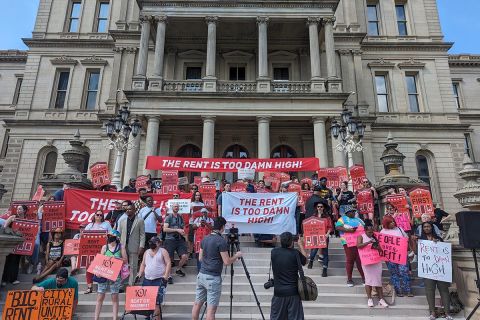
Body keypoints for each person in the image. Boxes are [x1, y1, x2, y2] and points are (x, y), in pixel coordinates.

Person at [191, 217, 242, 320]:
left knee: (197, 304)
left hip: (201, 275)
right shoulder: (221, 241)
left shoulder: (205, 238)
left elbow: (200, 258)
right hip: (213, 278)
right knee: (211, 311)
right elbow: (227, 261)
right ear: (222, 227)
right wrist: (237, 255)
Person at [419, 222, 454, 320]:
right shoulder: (421, 240)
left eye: (428, 226)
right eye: (424, 227)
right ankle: (432, 312)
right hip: (428, 270)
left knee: (444, 291)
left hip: (440, 270)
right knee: (429, 291)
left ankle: (447, 313)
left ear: (432, 227)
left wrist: (438, 243)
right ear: (423, 229)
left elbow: (445, 252)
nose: (426, 228)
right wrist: (413, 242)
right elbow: (417, 253)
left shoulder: (439, 239)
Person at [269, 231, 307, 320]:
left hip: (278, 293)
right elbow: (305, 261)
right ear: (292, 242)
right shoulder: (295, 253)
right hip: (293, 293)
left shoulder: (274, 252)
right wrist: (301, 245)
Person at [94, 230, 128, 320]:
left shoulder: (121, 247)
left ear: (116, 238)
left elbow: (125, 260)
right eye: (108, 236)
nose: (109, 237)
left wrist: (116, 258)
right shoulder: (104, 247)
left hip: (115, 275)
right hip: (104, 273)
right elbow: (100, 260)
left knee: (114, 297)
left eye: (111, 236)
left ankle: (114, 318)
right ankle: (96, 318)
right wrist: (97, 271)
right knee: (100, 296)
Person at [137, 236, 171, 320]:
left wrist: (166, 276)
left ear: (159, 243)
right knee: (147, 300)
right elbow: (143, 264)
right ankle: (147, 317)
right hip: (147, 279)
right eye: (151, 242)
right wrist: (139, 274)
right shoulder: (147, 252)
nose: (152, 243)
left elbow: (168, 263)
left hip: (159, 279)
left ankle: (156, 318)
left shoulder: (163, 251)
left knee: (157, 302)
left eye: (154, 242)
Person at [357, 223, 389, 308]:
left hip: (376, 261)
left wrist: (377, 247)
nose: (371, 233)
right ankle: (369, 299)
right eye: (369, 232)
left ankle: (381, 299)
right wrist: (368, 242)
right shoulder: (361, 236)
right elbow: (358, 246)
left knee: (378, 280)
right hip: (366, 262)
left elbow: (381, 250)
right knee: (368, 280)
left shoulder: (375, 237)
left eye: (372, 232)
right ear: (365, 230)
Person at [380, 216, 413, 297]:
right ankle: (398, 291)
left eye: (393, 221)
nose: (393, 223)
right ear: (386, 224)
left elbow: (406, 239)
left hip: (401, 255)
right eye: (390, 222)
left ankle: (408, 290)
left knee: (404, 271)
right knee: (394, 273)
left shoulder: (399, 229)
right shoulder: (382, 232)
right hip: (390, 257)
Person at [335, 208, 365, 287]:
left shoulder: (359, 219)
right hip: (348, 242)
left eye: (355, 211)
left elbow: (365, 227)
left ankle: (364, 278)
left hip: (359, 242)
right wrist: (348, 230)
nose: (354, 213)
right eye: (352, 211)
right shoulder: (342, 219)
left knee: (359, 260)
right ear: (347, 213)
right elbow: (338, 227)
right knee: (350, 259)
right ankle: (349, 279)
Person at [117, 203, 145, 286]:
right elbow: (118, 234)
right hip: (123, 247)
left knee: (133, 267)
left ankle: (131, 284)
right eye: (127, 209)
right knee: (122, 266)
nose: (128, 210)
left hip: (134, 246)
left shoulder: (139, 220)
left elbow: (142, 234)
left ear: (135, 210)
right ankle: (121, 284)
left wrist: (141, 246)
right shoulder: (122, 221)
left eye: (130, 209)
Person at [1, 205, 27, 286]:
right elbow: (4, 227)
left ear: (24, 210)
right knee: (8, 260)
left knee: (16, 260)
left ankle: (13, 279)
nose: (18, 210)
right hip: (11, 241)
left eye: (20, 209)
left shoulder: (26, 220)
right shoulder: (12, 217)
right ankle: (4, 279)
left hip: (19, 243)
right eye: (17, 209)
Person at [163, 203, 189, 284]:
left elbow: (183, 228)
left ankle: (178, 269)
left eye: (177, 206)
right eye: (175, 206)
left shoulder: (180, 217)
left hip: (179, 239)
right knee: (169, 259)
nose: (176, 207)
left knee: (184, 256)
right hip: (170, 239)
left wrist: (185, 236)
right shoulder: (169, 217)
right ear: (172, 208)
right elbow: (165, 229)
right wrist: (176, 230)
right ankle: (169, 276)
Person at [307, 202, 333, 277]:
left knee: (325, 253)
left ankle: (325, 270)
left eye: (321, 207)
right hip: (315, 236)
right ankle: (311, 260)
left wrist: (327, 234)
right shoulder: (313, 216)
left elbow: (330, 227)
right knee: (314, 250)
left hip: (324, 236)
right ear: (316, 208)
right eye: (318, 207)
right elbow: (309, 226)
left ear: (323, 208)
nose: (319, 208)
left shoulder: (327, 217)